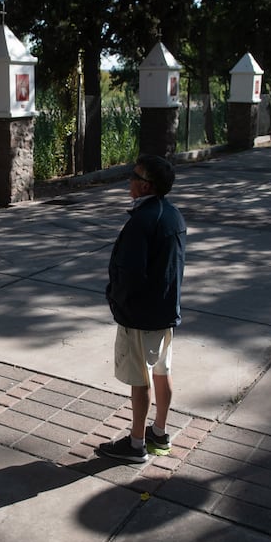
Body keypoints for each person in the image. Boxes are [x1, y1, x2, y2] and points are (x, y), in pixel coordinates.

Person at [97, 154, 186, 464]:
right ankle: (159, 432)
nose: (129, 180)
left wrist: (115, 299)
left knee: (141, 380)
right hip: (164, 313)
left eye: (133, 176)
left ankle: (136, 445)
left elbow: (131, 274)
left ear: (145, 185)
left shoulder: (142, 222)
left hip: (140, 315)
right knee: (162, 372)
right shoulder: (172, 215)